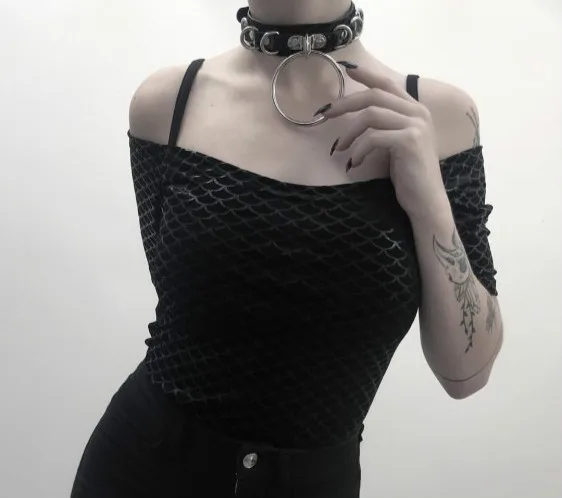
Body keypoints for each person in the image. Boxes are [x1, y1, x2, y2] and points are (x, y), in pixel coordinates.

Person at [70, 0, 504, 496]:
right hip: (141, 472)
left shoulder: (440, 119)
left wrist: (428, 199)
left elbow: (466, 374)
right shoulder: (168, 104)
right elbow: (183, 313)